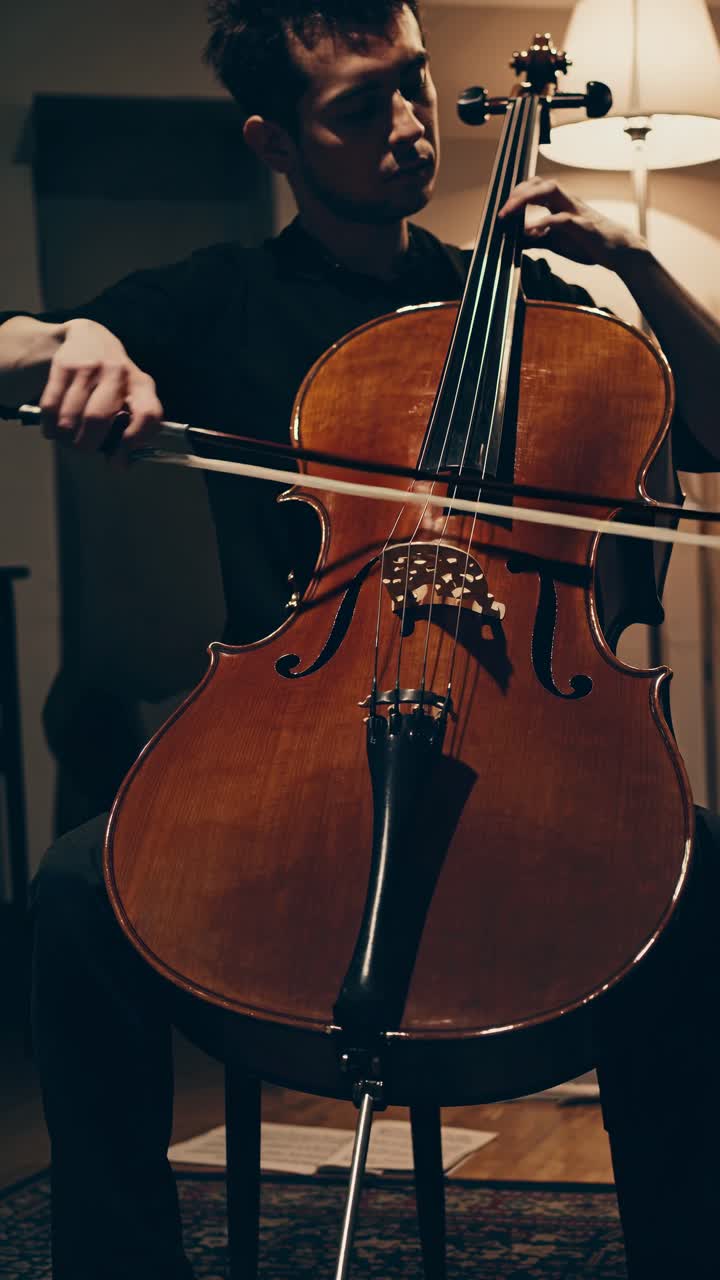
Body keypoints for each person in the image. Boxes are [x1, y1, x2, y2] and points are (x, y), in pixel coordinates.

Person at [1, 1, 720, 1276]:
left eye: (416, 85)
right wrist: (77, 341)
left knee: (700, 887)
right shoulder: (219, 296)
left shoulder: (547, 307)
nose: (406, 127)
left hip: (532, 723)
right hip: (283, 751)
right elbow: (22, 349)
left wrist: (633, 258)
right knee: (68, 895)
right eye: (358, 107)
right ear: (274, 141)